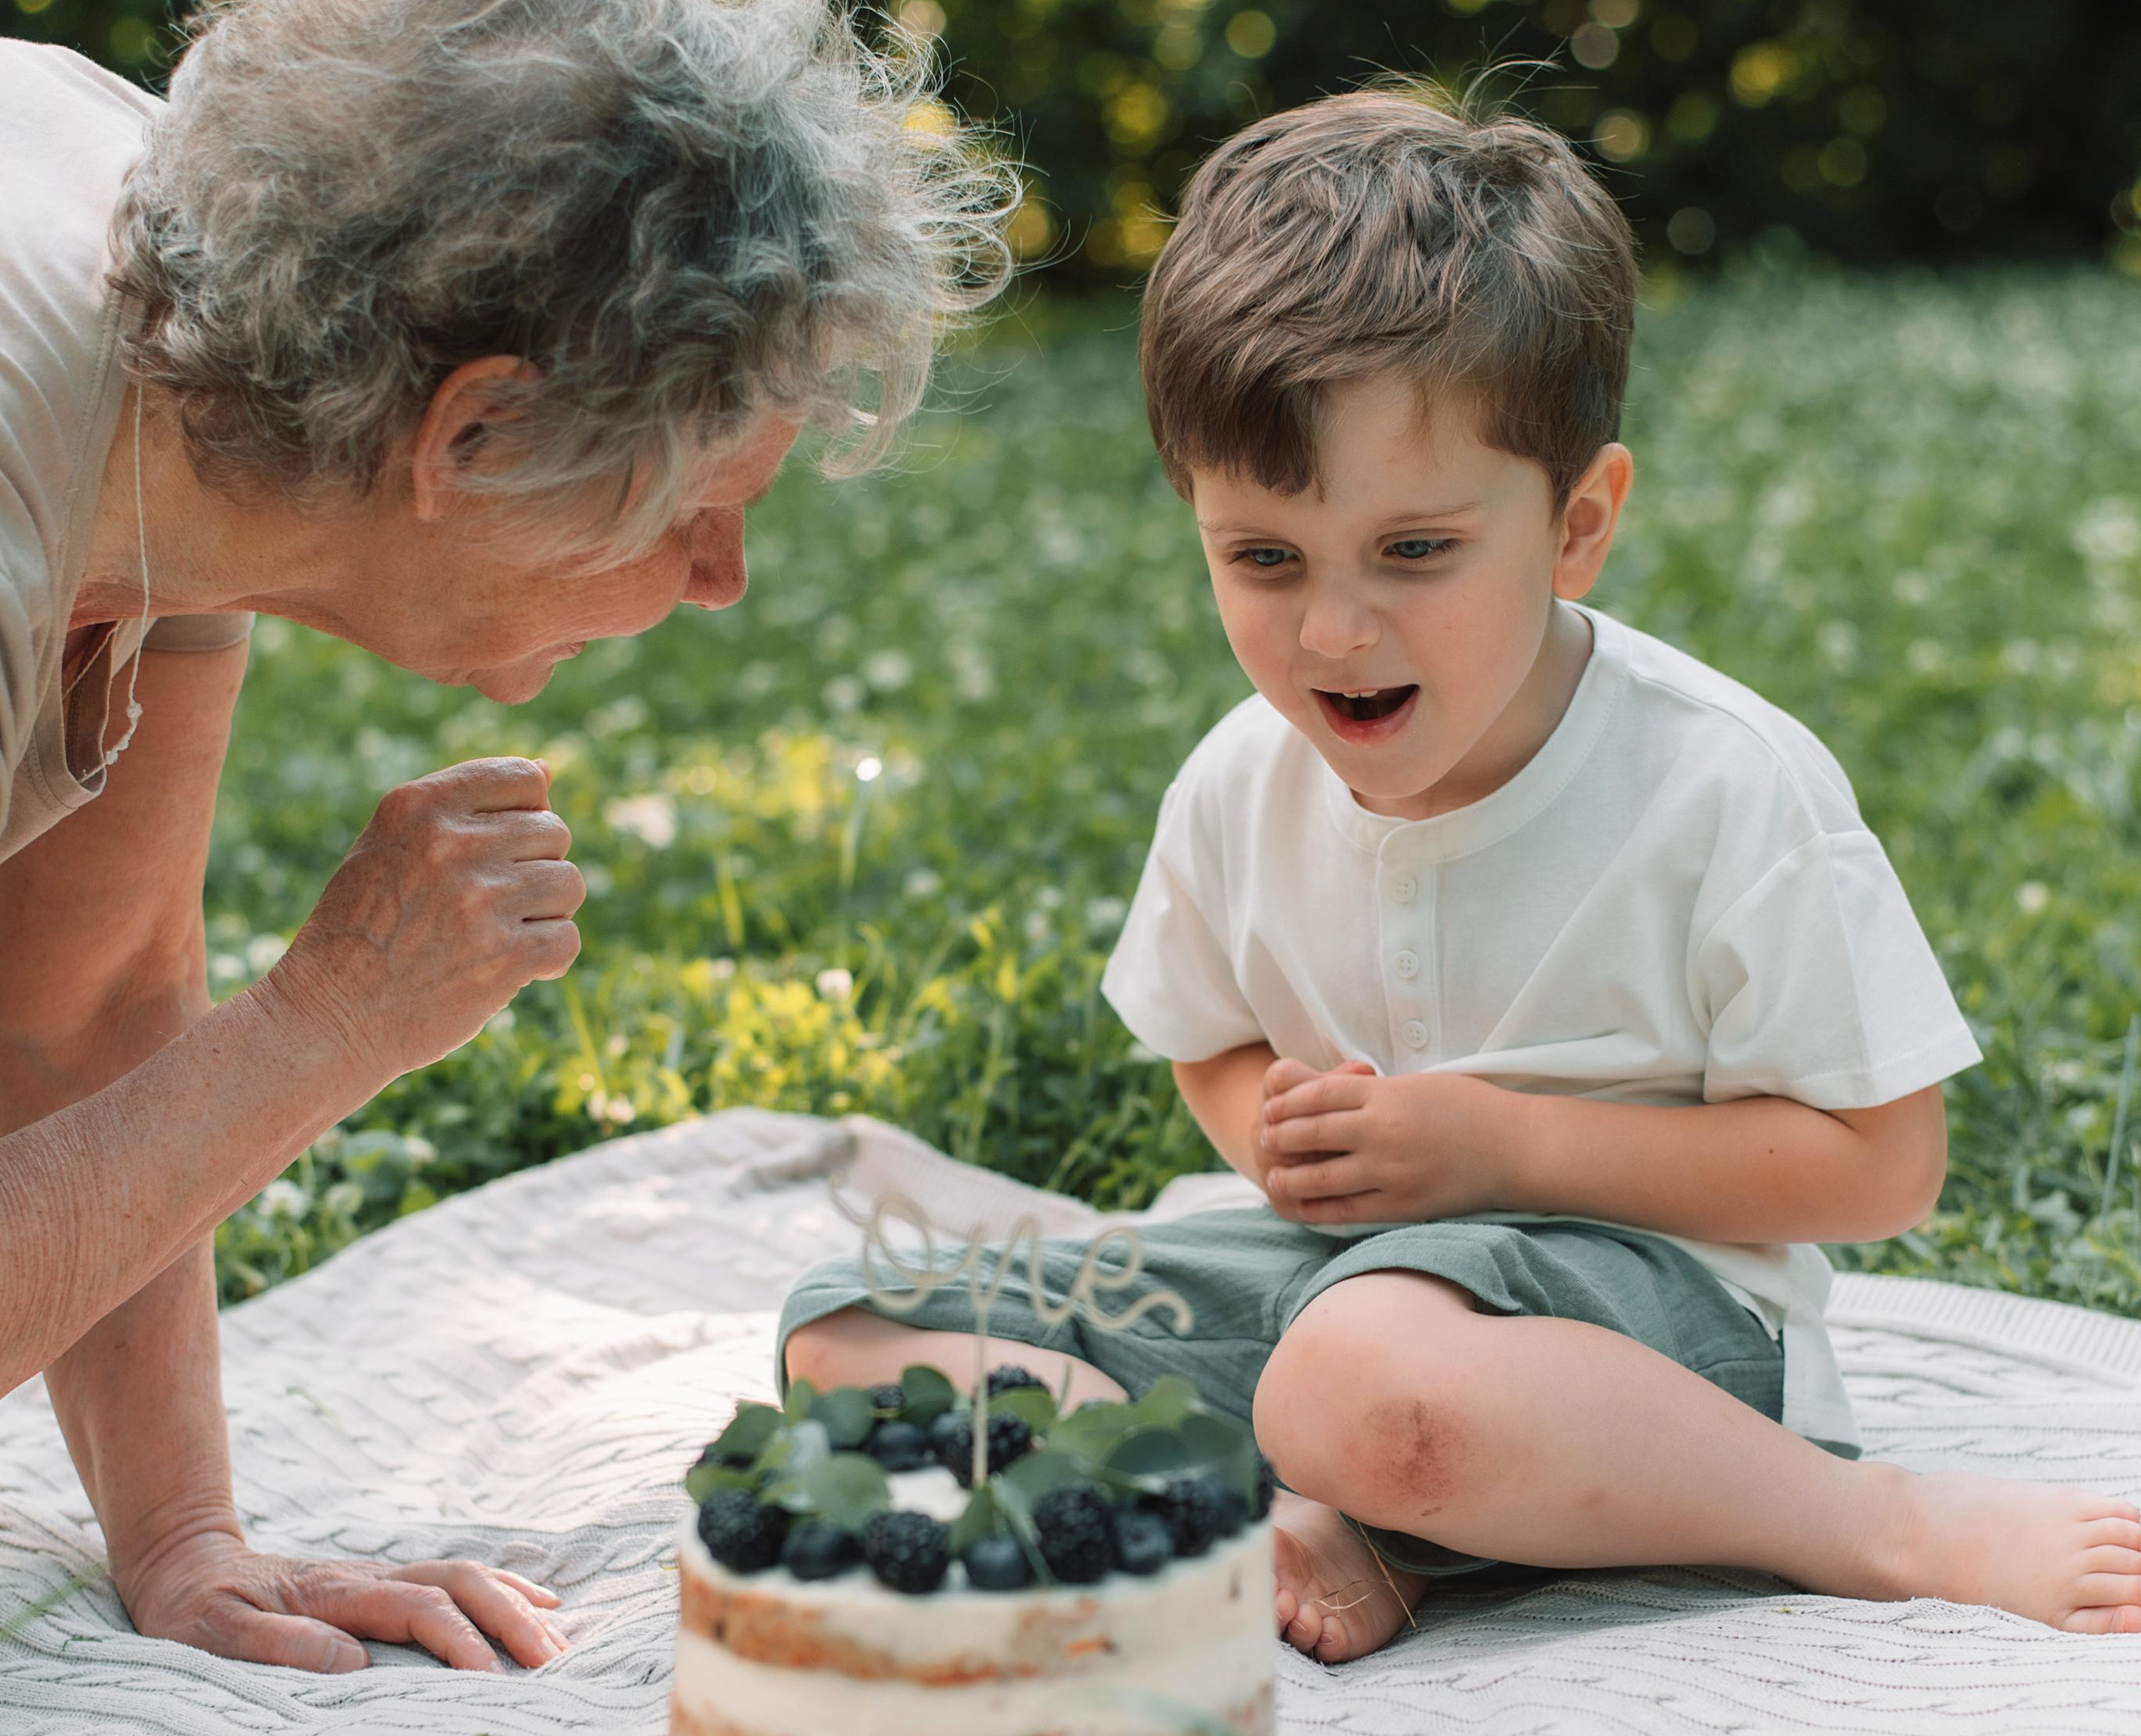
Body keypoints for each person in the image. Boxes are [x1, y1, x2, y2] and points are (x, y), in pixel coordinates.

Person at [781, 87, 2141, 1649]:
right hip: (1332, 1284)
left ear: (1578, 525)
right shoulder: (1242, 780)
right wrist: (1281, 1142)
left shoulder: (1714, 783)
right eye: (1264, 558)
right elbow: (1214, 1039)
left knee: (1371, 1380)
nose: (1334, 632)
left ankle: (1871, 1525)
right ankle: (1292, 1512)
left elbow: (1886, 1165)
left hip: (1640, 1328)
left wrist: (1499, 1148)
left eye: (1415, 553)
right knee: (855, 1325)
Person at [1, 0, 1003, 1677]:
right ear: (474, 432)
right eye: (699, 511)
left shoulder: (208, 383)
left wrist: (181, 1542)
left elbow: (85, 1001)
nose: (721, 588)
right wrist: (321, 1024)